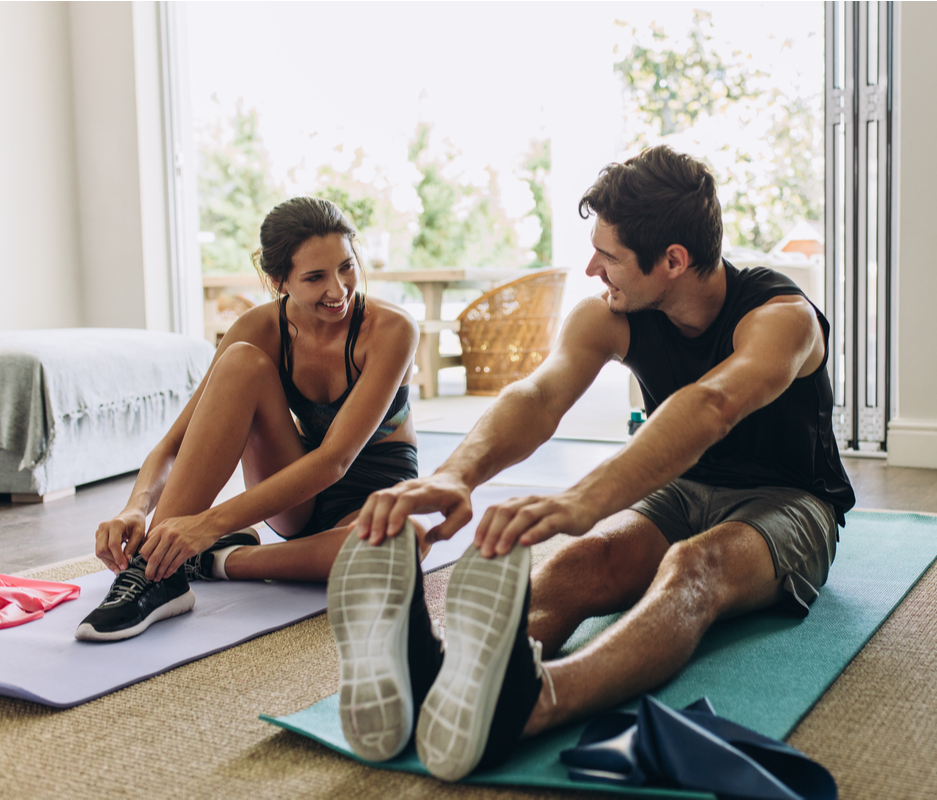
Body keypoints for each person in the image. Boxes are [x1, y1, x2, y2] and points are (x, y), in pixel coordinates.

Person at [325, 145, 856, 777]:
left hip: (791, 501)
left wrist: (583, 499)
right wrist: (454, 475)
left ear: (673, 262)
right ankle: (439, 677)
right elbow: (540, 395)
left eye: (608, 255)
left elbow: (714, 404)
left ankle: (534, 703)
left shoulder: (783, 319)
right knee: (585, 560)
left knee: (693, 567)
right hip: (684, 488)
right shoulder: (615, 313)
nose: (590, 267)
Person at [77, 196, 423, 642]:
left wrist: (208, 527)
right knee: (241, 362)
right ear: (279, 280)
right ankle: (154, 573)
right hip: (295, 489)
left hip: (374, 494)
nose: (338, 290)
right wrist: (136, 507)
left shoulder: (393, 330)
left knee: (400, 546)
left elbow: (335, 461)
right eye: (315, 277)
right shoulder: (259, 329)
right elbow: (174, 443)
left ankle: (213, 561)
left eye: (346, 266)